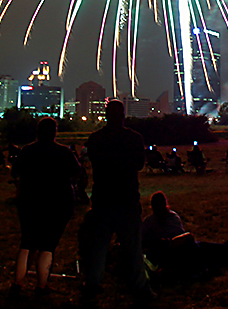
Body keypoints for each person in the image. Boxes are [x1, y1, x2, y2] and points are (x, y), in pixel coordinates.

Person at [78, 100, 150, 303]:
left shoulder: (96, 139)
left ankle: (92, 285)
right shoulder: (134, 138)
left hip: (102, 199)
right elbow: (139, 165)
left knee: (98, 246)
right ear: (124, 115)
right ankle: (140, 287)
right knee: (134, 247)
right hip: (127, 198)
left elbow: (93, 160)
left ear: (106, 115)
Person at [10, 117, 81, 296]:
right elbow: (77, 172)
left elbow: (16, 172)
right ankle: (41, 286)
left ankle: (17, 283)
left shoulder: (27, 151)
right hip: (56, 204)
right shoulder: (63, 153)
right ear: (55, 132)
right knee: (47, 246)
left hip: (29, 203)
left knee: (26, 243)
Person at [140, 191, 228, 282]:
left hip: (178, 248)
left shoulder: (169, 218)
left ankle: (227, 250)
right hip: (174, 251)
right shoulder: (152, 222)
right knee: (203, 249)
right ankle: (227, 251)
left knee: (204, 248)